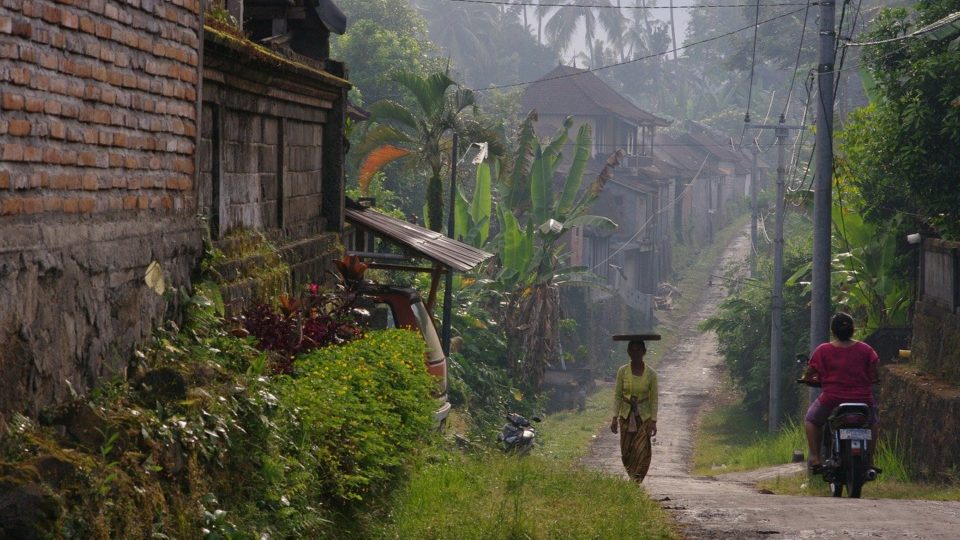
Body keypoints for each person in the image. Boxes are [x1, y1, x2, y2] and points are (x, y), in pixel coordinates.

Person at [801, 312, 880, 472]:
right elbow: (874, 373)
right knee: (872, 424)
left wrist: (806, 378)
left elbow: (810, 373)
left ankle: (816, 458)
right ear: (853, 329)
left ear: (833, 331)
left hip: (832, 398)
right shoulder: (866, 349)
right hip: (863, 400)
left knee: (811, 420)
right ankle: (870, 461)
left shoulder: (823, 350)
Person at [610, 339, 658, 482]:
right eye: (632, 350)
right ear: (628, 352)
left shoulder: (651, 374)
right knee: (626, 452)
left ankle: (637, 480)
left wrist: (653, 421)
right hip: (625, 415)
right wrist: (614, 417)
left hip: (644, 418)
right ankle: (632, 475)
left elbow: (654, 398)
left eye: (638, 350)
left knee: (641, 450)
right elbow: (618, 395)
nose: (635, 353)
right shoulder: (622, 371)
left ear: (644, 352)